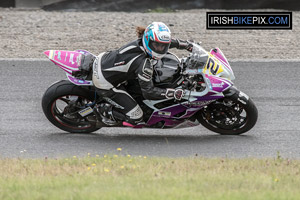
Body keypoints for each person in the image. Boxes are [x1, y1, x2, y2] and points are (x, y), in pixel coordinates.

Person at [92, 22, 193, 126]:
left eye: (163, 46)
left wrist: (187, 45)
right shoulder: (143, 64)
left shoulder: (144, 41)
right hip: (105, 81)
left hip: (105, 60)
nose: (160, 49)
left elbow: (166, 42)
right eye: (156, 45)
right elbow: (149, 92)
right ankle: (105, 111)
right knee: (136, 116)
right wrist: (174, 93)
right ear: (148, 40)